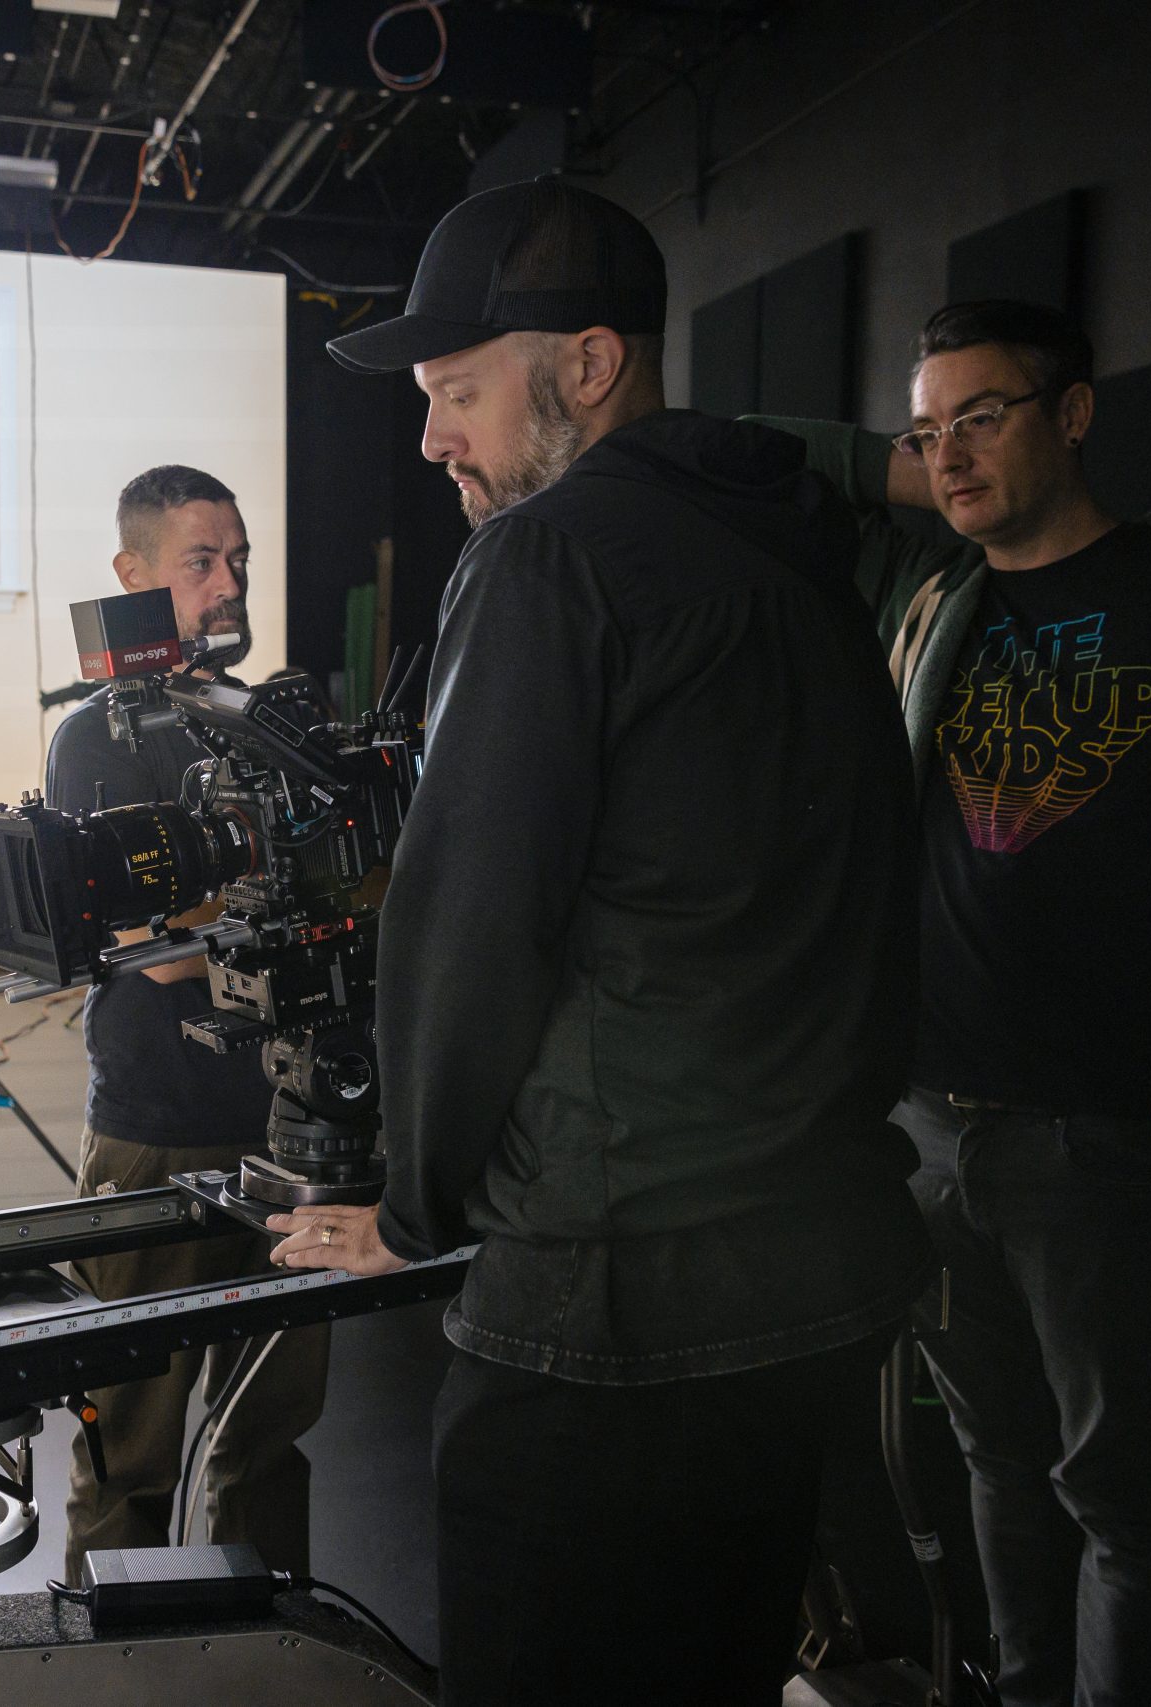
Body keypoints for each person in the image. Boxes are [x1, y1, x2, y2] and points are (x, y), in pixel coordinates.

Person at [271, 180, 934, 1705]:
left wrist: (420, 1202)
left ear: (585, 365)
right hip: (809, 1276)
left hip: (605, 1296)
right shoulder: (805, 564)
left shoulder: (548, 558)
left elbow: (468, 927)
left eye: (456, 393)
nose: (434, 438)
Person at [750, 300, 1151, 1707]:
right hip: (929, 1127)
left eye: (985, 415)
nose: (953, 454)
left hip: (1110, 1138)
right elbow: (746, 450)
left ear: (1079, 412)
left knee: (1124, 1494)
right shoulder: (922, 593)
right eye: (930, 429)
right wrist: (915, 466)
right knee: (990, 1460)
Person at [47, 464, 329, 1580]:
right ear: (133, 574)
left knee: (269, 1449)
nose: (228, 583)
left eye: (239, 560)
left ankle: (265, 1658)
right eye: (201, 561)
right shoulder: (95, 738)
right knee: (128, 1453)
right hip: (157, 1131)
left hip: (291, 1130)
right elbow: (153, 945)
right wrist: (285, 899)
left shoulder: (260, 721)